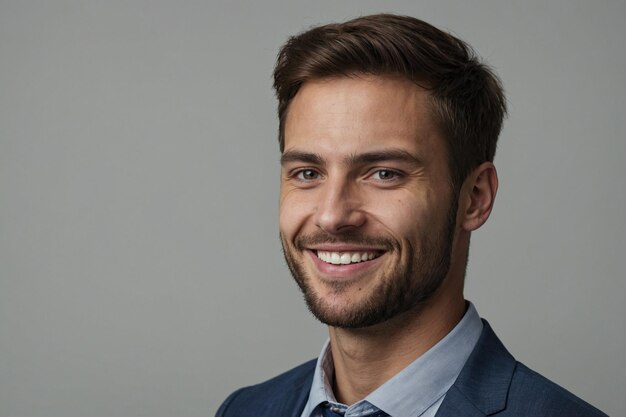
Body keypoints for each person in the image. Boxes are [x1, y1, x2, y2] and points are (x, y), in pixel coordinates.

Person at [216, 14, 607, 417]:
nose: (332, 216)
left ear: (474, 197)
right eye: (308, 173)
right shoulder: (245, 409)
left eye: (384, 174)